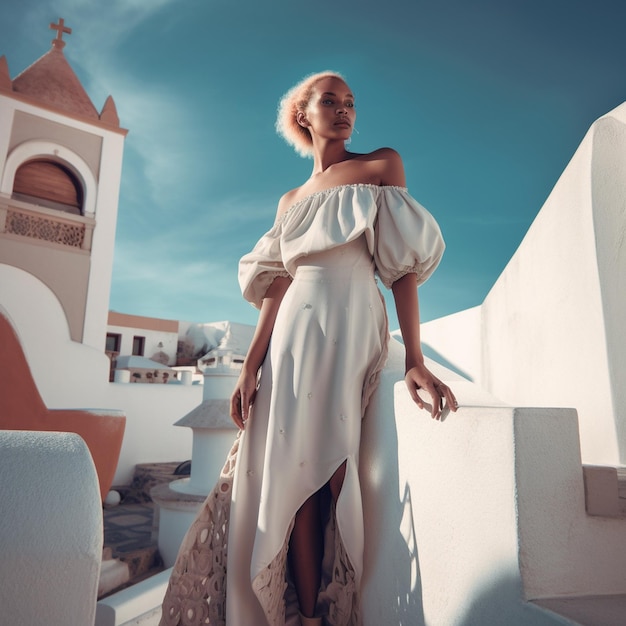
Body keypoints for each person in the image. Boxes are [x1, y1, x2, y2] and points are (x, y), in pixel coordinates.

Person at [159, 71, 457, 626]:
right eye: (330, 101)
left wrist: (414, 359)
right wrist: (250, 364)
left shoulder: (380, 166)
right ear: (304, 113)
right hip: (291, 341)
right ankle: (305, 617)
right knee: (294, 489)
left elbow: (401, 270)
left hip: (349, 328)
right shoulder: (290, 200)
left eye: (350, 102)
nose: (343, 110)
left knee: (336, 471)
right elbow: (277, 285)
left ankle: (334, 603)